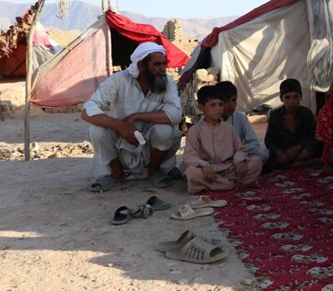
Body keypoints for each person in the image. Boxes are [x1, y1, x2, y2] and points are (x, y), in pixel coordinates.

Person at [82, 42, 182, 191]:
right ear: (141, 66)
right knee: (96, 131)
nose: (163, 69)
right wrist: (120, 126)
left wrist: (136, 117)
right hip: (121, 144)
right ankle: (117, 174)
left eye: (164, 64)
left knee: (165, 130)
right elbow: (87, 111)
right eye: (157, 65)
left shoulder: (166, 82)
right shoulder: (118, 80)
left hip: (150, 144)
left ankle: (154, 170)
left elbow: (175, 114)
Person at [184, 85, 262, 193]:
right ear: (201, 107)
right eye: (213, 105)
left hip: (229, 168)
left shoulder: (229, 129)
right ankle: (233, 184)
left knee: (256, 162)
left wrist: (239, 161)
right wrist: (204, 165)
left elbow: (240, 149)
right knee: (192, 173)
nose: (218, 108)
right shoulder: (195, 131)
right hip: (208, 170)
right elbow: (189, 156)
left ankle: (219, 185)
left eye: (220, 104)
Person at [264, 78, 323, 171]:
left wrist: (299, 147)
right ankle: (303, 163)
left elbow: (314, 135)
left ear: (301, 97)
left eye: (296, 97)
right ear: (281, 98)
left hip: (303, 151)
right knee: (265, 161)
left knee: (318, 146)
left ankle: (291, 163)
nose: (292, 101)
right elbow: (269, 140)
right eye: (287, 97)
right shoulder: (275, 115)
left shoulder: (306, 112)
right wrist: (279, 153)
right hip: (284, 151)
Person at [216, 81, 270, 165]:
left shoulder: (241, 117)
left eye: (234, 100)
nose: (231, 105)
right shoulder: (208, 120)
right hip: (218, 158)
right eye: (226, 101)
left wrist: (238, 153)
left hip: (239, 155)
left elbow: (253, 142)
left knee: (263, 153)